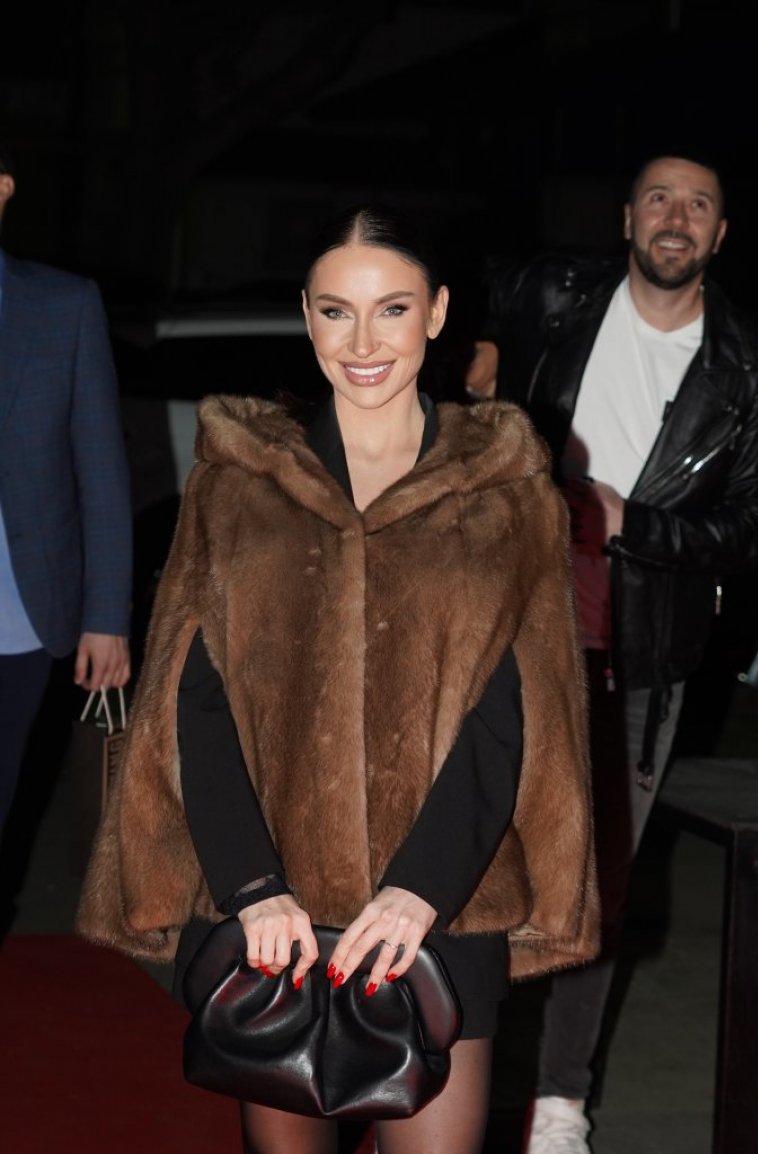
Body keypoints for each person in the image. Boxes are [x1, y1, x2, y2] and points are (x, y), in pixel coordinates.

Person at [77, 202, 599, 1154]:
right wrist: (250, 884)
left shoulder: (506, 484)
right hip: (274, 908)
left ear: (437, 313)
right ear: (306, 316)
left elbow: (518, 707)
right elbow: (194, 698)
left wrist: (420, 890)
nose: (363, 343)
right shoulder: (240, 478)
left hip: (444, 905)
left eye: (391, 309)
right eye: (335, 311)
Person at [468, 154, 758, 1153]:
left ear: (719, 234)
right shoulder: (553, 293)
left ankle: (559, 1101)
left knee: (591, 880)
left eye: (698, 204)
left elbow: (749, 527)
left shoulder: (748, 367)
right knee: (461, 850)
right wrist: (474, 361)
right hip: (497, 619)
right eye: (658, 199)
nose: (675, 218)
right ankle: (442, 1063)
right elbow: (452, 306)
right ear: (627, 217)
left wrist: (630, 520)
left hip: (637, 650)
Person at [0, 144, 132, 872]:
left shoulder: (63, 306)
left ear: (3, 189)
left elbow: (101, 473)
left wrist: (105, 617)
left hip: (17, 621)